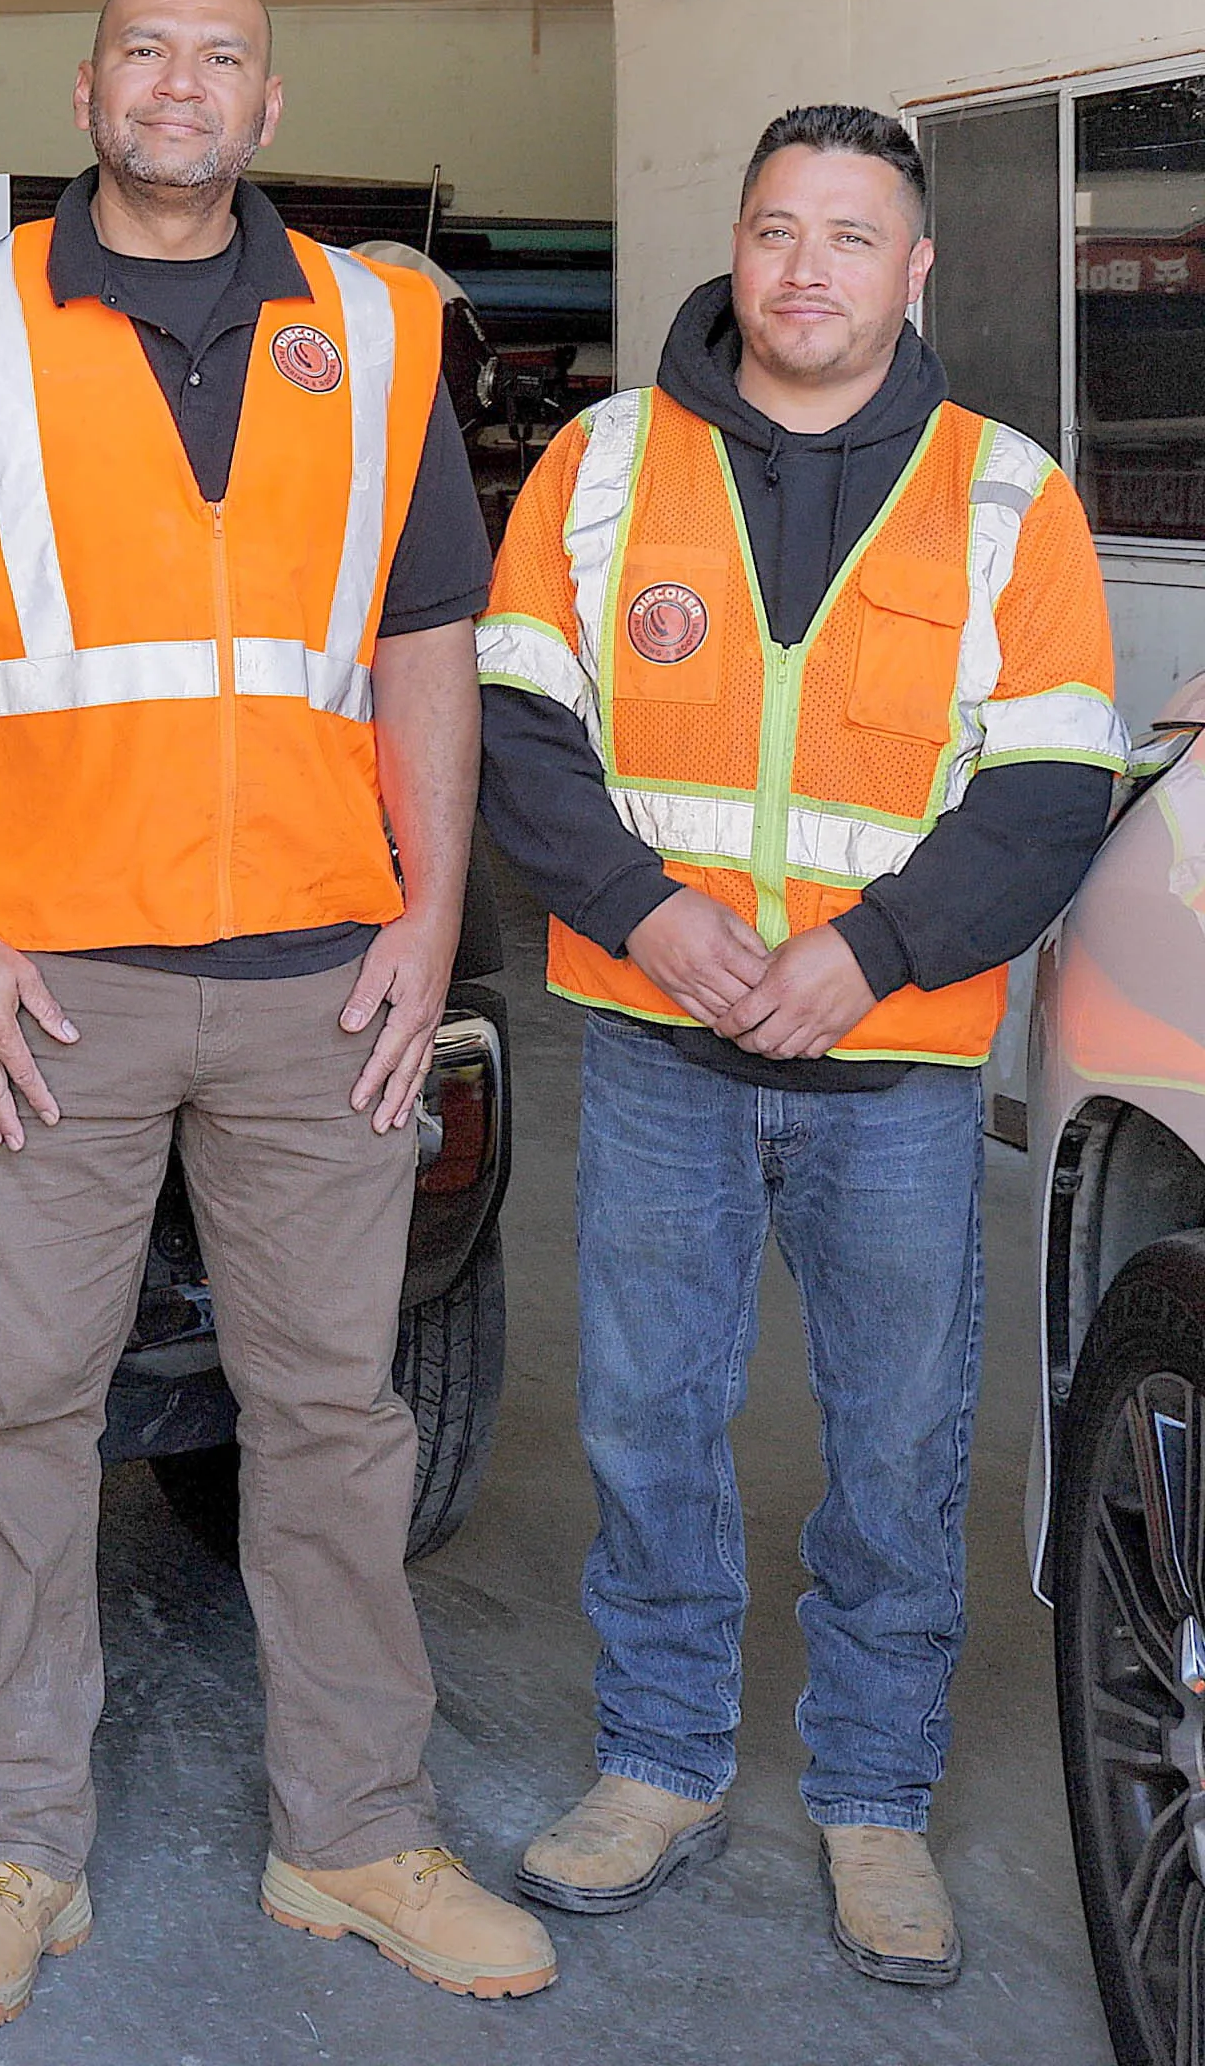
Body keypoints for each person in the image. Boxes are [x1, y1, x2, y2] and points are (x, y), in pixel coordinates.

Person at [0, 0, 554, 2022]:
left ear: (265, 96)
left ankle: (357, 1839)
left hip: (325, 973)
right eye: (148, 50)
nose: (181, 84)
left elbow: (422, 635)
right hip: (46, 984)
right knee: (23, 1408)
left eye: (220, 55)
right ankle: (15, 1851)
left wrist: (426, 916)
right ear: (91, 90)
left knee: (333, 1412)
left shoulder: (381, 324)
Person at [478, 105, 1123, 1984]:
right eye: (778, 229)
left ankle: (873, 1798)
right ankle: (661, 1761)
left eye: (853, 237)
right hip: (660, 1038)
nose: (807, 269)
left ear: (915, 271)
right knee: (644, 1422)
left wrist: (872, 954)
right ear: (737, 245)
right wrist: (653, 915)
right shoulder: (601, 467)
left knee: (901, 1439)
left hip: (897, 1062)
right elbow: (523, 729)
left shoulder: (1009, 493)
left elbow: (1057, 776)